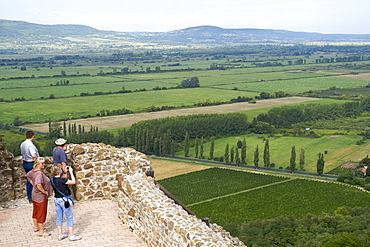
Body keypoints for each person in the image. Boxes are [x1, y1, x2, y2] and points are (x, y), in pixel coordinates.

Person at [50, 164, 82, 241]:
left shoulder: (52, 179)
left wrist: (65, 172)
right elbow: (73, 182)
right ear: (59, 170)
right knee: (69, 217)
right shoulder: (62, 180)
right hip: (64, 200)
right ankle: (71, 235)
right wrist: (71, 172)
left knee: (59, 217)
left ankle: (60, 234)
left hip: (56, 199)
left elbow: (62, 179)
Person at [26, 157, 52, 237]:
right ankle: (42, 231)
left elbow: (28, 176)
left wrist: (32, 184)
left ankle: (36, 227)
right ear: (37, 164)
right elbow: (38, 184)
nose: (44, 165)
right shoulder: (39, 174)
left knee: (36, 211)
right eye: (42, 163)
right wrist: (44, 191)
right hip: (41, 196)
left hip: (34, 195)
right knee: (41, 213)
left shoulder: (33, 171)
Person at [20, 130, 39, 202]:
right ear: (32, 136)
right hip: (31, 163)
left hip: (25, 162)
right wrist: (39, 160)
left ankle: (30, 197)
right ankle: (33, 197)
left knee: (29, 180)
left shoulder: (22, 144)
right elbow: (33, 155)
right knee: (34, 180)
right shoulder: (31, 145)